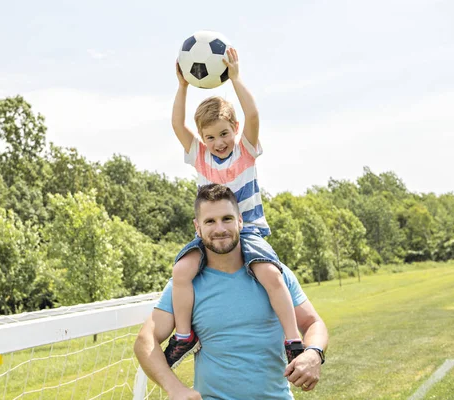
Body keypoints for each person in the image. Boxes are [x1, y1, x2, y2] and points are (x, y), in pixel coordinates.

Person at [165, 47, 302, 368]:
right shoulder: (199, 156)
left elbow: (253, 115)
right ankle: (184, 335)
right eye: (210, 136)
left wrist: (236, 79)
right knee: (181, 270)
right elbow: (176, 124)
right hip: (212, 236)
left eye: (224, 133)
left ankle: (293, 339)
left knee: (269, 273)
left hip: (249, 231)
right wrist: (183, 86)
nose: (219, 142)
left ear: (235, 128)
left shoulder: (246, 152)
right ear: (202, 138)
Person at [134, 184, 328, 399]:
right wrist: (175, 388)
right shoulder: (184, 285)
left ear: (240, 221)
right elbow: (145, 340)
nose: (220, 229)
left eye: (227, 218)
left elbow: (312, 323)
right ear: (197, 228)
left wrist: (313, 353)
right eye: (210, 221)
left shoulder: (274, 274)